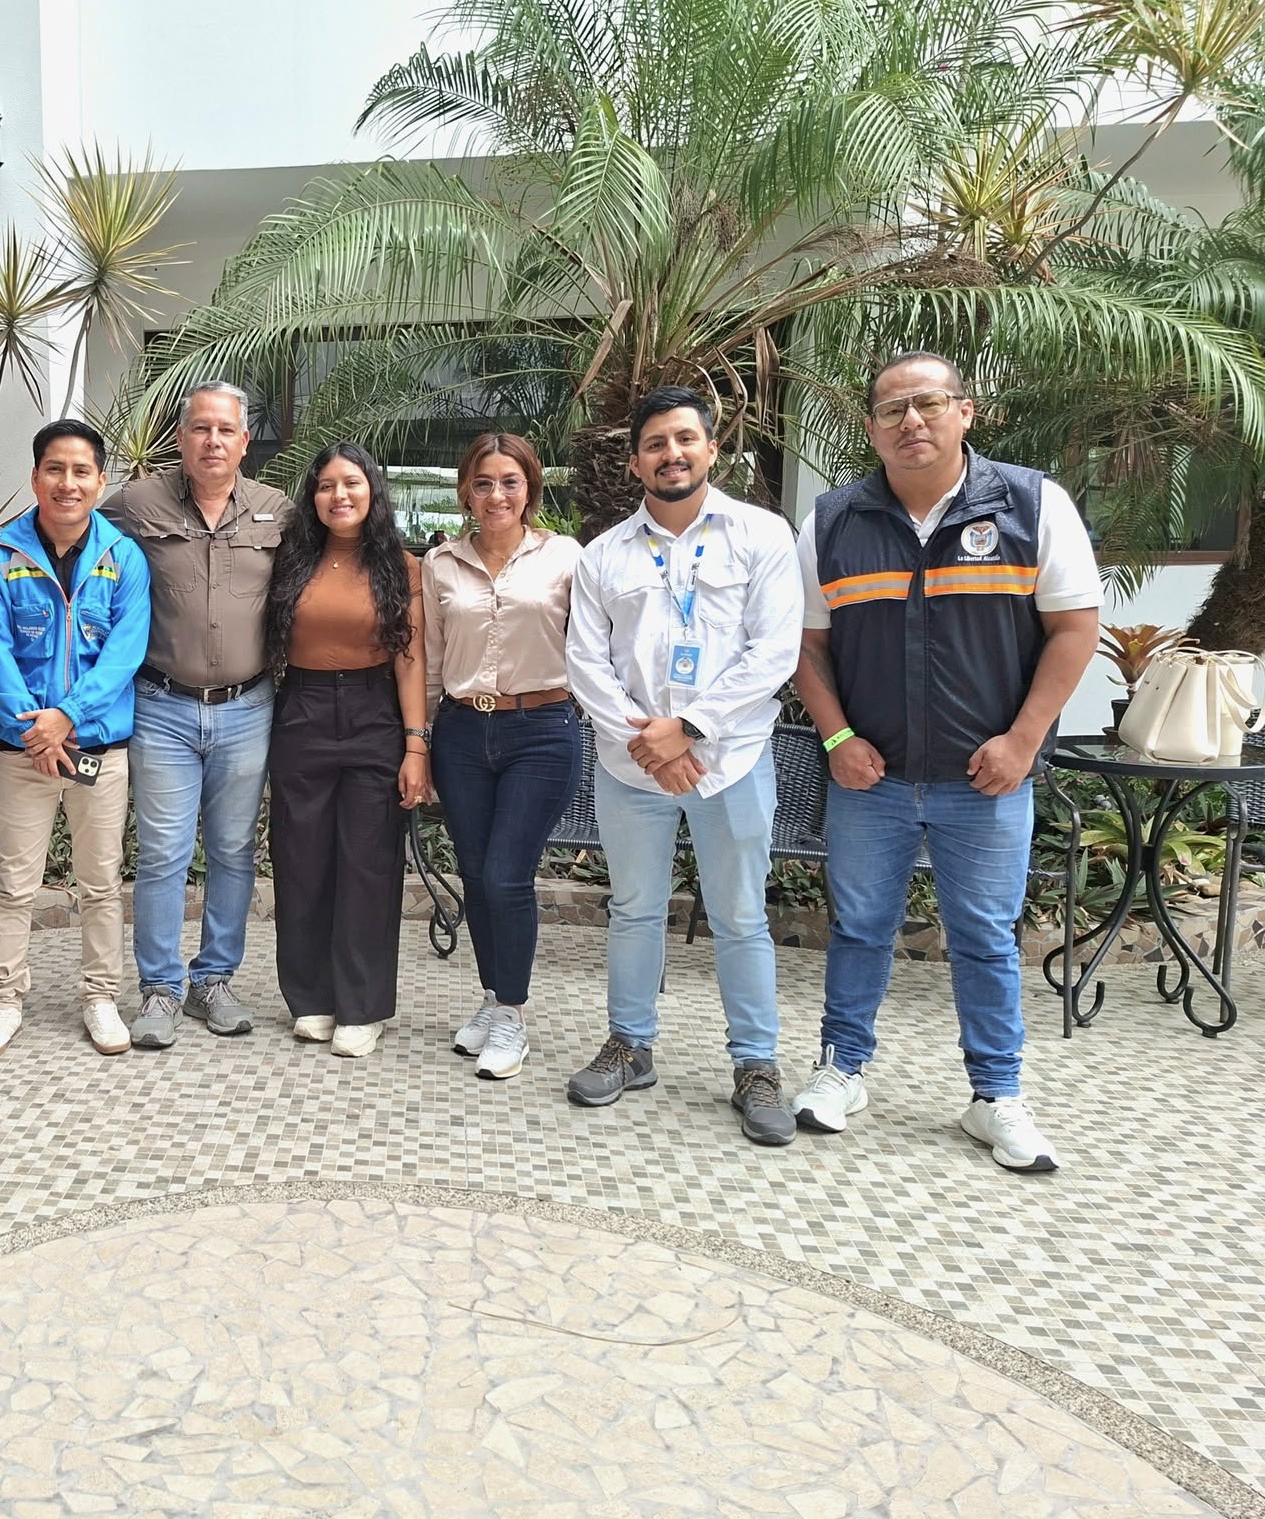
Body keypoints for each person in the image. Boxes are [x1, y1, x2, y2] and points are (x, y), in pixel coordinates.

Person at [791, 352, 1099, 1172]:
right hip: (872, 780)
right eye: (892, 410)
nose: (911, 422)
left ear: (966, 412)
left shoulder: (1033, 505)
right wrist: (836, 739)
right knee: (859, 927)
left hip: (985, 780)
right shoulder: (832, 522)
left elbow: (1075, 630)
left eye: (928, 404)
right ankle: (841, 1071)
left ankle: (996, 1097)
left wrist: (1023, 741)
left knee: (985, 937)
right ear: (870, 429)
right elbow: (806, 646)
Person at [0, 383, 294, 1049]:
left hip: (234, 709)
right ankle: (152, 988)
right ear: (181, 437)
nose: (212, 441)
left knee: (226, 851)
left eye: (225, 430)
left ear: (244, 441)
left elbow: (122, 644)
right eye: (199, 428)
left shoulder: (275, 512)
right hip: (143, 714)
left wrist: (67, 717)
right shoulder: (130, 509)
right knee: (151, 855)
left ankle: (205, 981)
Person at [563, 387, 803, 1145]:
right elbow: (586, 662)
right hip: (632, 766)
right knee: (634, 909)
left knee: (740, 915)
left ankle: (756, 1066)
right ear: (636, 463)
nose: (672, 453)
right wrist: (650, 742)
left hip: (731, 761)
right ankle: (629, 1045)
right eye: (656, 444)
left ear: (712, 449)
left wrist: (690, 731)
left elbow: (775, 649)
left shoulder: (762, 535)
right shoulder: (604, 554)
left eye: (685, 439)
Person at [0, 418, 151, 1058]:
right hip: (25, 751)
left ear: (100, 481)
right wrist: (38, 730)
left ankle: (100, 998)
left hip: (97, 748)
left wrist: (66, 717)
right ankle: (4, 1000)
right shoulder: (0, 555)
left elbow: (124, 654)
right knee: (13, 884)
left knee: (99, 884)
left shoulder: (124, 558)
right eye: (55, 469)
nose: (67, 483)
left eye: (81, 471)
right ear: (35, 477)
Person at [423, 432, 584, 1080]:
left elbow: (593, 644)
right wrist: (420, 742)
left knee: (505, 876)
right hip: (462, 732)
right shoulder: (440, 563)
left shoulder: (565, 556)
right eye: (484, 482)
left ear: (530, 489)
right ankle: (493, 1000)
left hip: (540, 729)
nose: (496, 495)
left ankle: (512, 1015)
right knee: (474, 873)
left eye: (510, 482)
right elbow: (430, 660)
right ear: (466, 491)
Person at [264, 442, 431, 1056]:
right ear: (312, 497)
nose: (339, 495)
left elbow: (410, 659)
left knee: (368, 864)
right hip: (302, 711)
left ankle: (362, 1006)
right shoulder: (289, 559)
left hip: (374, 713)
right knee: (301, 859)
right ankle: (311, 997)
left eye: (352, 483)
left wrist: (415, 746)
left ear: (372, 491)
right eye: (326, 485)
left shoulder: (401, 566)